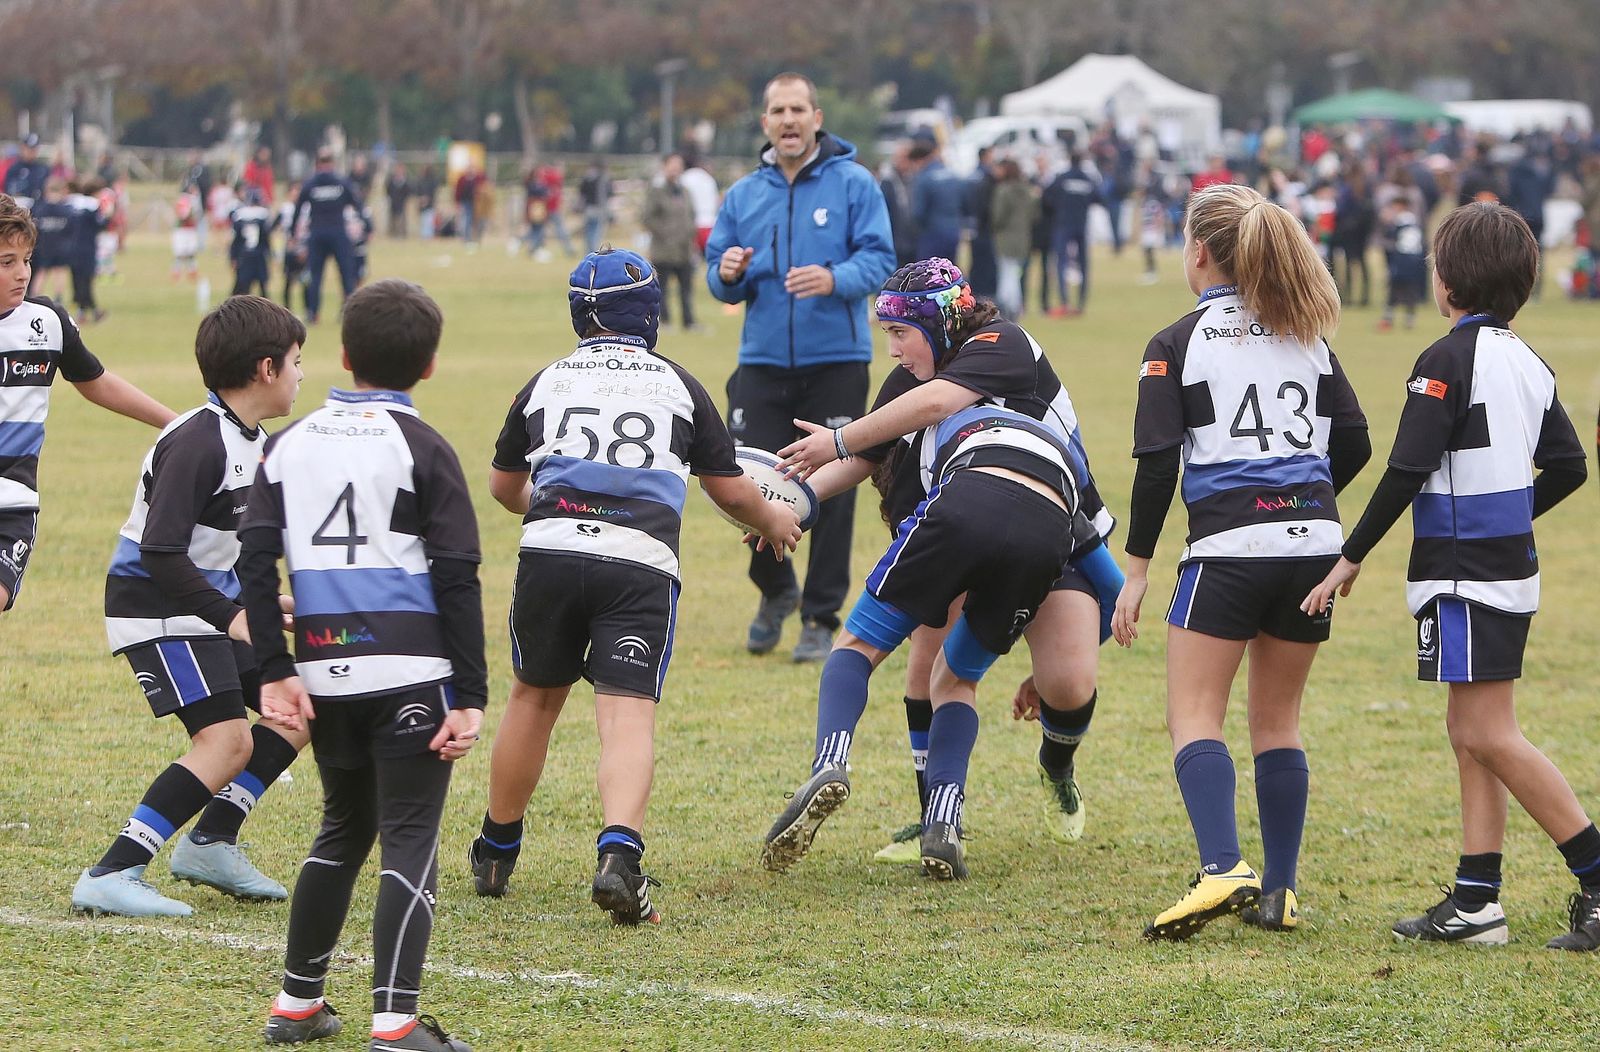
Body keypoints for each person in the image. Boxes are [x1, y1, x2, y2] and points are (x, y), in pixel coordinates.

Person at [468, 249, 800, 923]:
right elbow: (731, 489)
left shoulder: (546, 381)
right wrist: (777, 520)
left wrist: (560, 505)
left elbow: (505, 487)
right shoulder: (676, 383)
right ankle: (620, 856)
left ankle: (497, 848)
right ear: (649, 315)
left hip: (552, 554)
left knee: (532, 700)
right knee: (625, 714)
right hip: (638, 560)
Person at [1302, 203, 1600, 952]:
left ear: (1447, 280)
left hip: (1464, 572)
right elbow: (1569, 465)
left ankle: (1596, 874)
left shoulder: (1444, 359)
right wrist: (1513, 514)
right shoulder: (1529, 361)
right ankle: (1477, 901)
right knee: (1470, 730)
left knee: (1485, 731)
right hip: (1504, 569)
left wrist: (1350, 553)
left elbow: (1406, 468)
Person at [760, 260, 1099, 881]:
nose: (891, 348)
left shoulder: (1002, 344)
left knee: (1066, 684)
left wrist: (834, 440)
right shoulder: (904, 381)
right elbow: (869, 456)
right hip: (1007, 526)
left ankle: (833, 763)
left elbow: (933, 404)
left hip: (1053, 525)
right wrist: (789, 509)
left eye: (900, 333)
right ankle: (938, 822)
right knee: (937, 672)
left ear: (942, 322)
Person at [1112, 183, 1370, 940]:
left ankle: (1224, 866)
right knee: (1277, 723)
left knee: (1193, 715)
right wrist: (1304, 501)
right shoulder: (1306, 335)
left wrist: (1135, 569)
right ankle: (1281, 890)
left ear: (1198, 251)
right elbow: (1351, 443)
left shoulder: (1177, 342)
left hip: (1227, 550)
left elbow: (1157, 466)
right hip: (1312, 550)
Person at [243, 280, 485, 1050]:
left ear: (344, 356)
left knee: (342, 827)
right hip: (409, 673)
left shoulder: (288, 443)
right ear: (430, 366)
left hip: (321, 666)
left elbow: (252, 564)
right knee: (410, 836)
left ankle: (297, 1005)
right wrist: (470, 694)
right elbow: (456, 572)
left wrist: (275, 669)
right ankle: (395, 1025)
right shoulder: (424, 446)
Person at [70, 296, 308, 918]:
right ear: (265, 368)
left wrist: (267, 602)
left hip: (204, 605)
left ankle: (211, 840)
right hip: (157, 608)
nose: (300, 374)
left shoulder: (255, 443)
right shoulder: (198, 441)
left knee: (300, 702)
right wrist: (234, 617)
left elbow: (228, 551)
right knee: (226, 741)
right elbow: (162, 554)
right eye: (295, 361)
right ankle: (115, 869)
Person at [704, 71, 895, 662]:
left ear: (817, 117)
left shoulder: (855, 184)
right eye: (777, 111)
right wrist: (728, 272)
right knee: (746, 480)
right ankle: (775, 591)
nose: (788, 120)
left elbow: (882, 259)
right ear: (765, 122)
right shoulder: (743, 194)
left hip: (836, 361)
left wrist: (836, 279)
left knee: (828, 491)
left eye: (798, 109)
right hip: (760, 363)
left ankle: (820, 614)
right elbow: (717, 273)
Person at [0, 194, 174, 616]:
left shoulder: (46, 322)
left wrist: (178, 423)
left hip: (13, 501)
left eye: (26, 260)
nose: (22, 274)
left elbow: (95, 382)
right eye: (7, 262)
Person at [291, 148, 362, 324]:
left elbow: (298, 210)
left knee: (315, 276)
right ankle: (349, 313)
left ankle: (313, 313)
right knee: (346, 274)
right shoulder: (341, 182)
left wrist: (293, 233)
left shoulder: (310, 184)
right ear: (332, 163)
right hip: (338, 232)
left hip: (317, 233)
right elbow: (357, 204)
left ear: (317, 164)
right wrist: (367, 226)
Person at [641, 153, 698, 330]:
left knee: (686, 289)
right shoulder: (657, 191)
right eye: (672, 164)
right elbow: (647, 217)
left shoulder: (685, 191)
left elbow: (691, 215)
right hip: (663, 250)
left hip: (684, 249)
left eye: (678, 164)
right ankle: (664, 320)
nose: (675, 168)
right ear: (664, 167)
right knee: (662, 289)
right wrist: (665, 233)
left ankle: (689, 321)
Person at [1044, 152, 1100, 317]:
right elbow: (1098, 197)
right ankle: (1081, 303)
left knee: (1062, 263)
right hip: (1081, 225)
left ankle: (1065, 301)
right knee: (1083, 264)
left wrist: (1058, 208)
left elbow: (1047, 197)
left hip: (1063, 224)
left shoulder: (1062, 178)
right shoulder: (1087, 179)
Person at [989, 158, 1037, 319]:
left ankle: (1009, 307)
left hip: (1006, 239)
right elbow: (1034, 214)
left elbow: (998, 217)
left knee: (1007, 275)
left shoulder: (1003, 190)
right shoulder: (1027, 190)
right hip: (1023, 238)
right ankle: (1015, 306)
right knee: (1015, 274)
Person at [909, 138, 963, 262]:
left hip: (932, 234)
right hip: (953, 231)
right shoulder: (952, 174)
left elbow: (918, 212)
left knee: (928, 274)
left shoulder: (923, 178)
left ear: (919, 160)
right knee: (949, 274)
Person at [66, 179, 108, 323]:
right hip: (87, 248)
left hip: (70, 247)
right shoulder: (93, 206)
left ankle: (84, 310)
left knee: (77, 280)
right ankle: (89, 311)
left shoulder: (72, 203)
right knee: (87, 280)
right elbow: (100, 224)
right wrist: (108, 215)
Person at [1378, 199, 1425, 330]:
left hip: (1403, 258)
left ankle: (1388, 318)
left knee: (1394, 287)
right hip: (1414, 259)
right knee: (1410, 289)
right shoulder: (1414, 221)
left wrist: (1387, 222)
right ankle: (1409, 319)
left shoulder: (1402, 221)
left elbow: (1390, 235)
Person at [28, 176, 72, 301]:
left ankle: (34, 297)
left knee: (41, 272)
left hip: (44, 246)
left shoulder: (40, 208)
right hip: (61, 246)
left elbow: (35, 228)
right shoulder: (66, 209)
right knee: (59, 271)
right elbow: (71, 229)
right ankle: (58, 298)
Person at [230, 187, 277, 298]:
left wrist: (233, 256)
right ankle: (266, 312)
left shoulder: (240, 214)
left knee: (243, 289)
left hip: (244, 254)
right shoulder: (263, 214)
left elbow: (236, 239)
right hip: (259, 254)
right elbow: (266, 238)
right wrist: (270, 254)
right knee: (263, 287)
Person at [678, 153, 720, 255]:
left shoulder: (685, 177)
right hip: (710, 224)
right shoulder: (709, 179)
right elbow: (716, 201)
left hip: (692, 224)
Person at [3, 134, 48, 203]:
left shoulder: (43, 168)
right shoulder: (14, 168)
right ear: (23, 148)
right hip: (21, 205)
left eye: (34, 149)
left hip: (40, 205)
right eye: (29, 149)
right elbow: (10, 190)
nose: (31, 152)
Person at [578, 159, 610, 253]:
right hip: (599, 208)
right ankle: (594, 250)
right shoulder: (603, 178)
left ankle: (588, 251)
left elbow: (582, 192)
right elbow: (607, 193)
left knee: (588, 231)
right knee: (596, 231)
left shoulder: (587, 178)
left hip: (588, 207)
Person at [385, 161, 411, 238]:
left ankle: (402, 236)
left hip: (402, 203)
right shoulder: (391, 180)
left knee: (402, 221)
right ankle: (393, 235)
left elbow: (408, 191)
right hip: (393, 203)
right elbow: (388, 190)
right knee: (392, 221)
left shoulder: (405, 181)